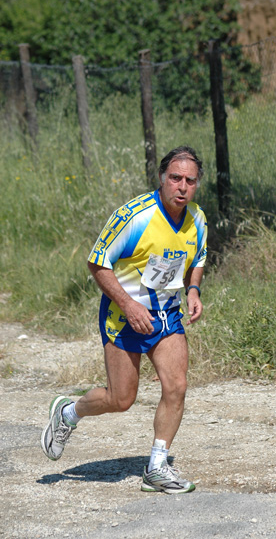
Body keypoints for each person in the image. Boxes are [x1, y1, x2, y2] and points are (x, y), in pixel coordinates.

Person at [41, 146, 207, 494]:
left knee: (176, 385)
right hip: (123, 315)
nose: (182, 186)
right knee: (121, 399)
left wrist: (193, 290)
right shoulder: (136, 216)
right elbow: (97, 262)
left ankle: (157, 466)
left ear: (196, 186)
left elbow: (199, 258)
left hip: (166, 315)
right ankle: (69, 413)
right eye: (175, 178)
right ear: (162, 178)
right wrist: (129, 304)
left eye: (189, 181)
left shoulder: (197, 219)